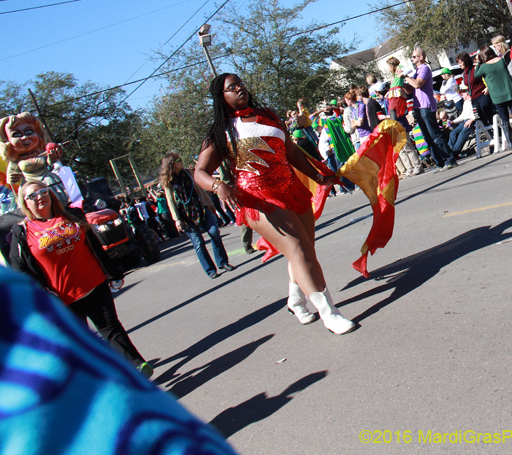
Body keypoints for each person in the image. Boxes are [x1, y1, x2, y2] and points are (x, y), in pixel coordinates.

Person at [193, 74, 357, 334]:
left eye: (241, 84)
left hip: (291, 189)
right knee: (299, 250)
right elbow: (199, 172)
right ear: (221, 97)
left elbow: (291, 152)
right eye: (231, 88)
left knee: (305, 250)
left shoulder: (267, 115)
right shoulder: (221, 132)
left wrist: (319, 177)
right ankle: (330, 314)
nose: (239, 89)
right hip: (257, 198)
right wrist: (218, 186)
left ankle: (295, 301)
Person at [8, 180, 153, 378]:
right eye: (32, 195)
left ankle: (137, 366)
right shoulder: (22, 232)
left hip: (93, 283)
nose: (39, 197)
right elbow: (19, 269)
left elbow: (94, 246)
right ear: (25, 203)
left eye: (42, 191)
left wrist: (112, 273)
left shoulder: (71, 215)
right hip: (62, 298)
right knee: (81, 341)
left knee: (111, 328)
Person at [158, 152, 234, 279]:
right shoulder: (168, 181)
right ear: (171, 164)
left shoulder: (188, 173)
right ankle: (210, 270)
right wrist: (176, 219)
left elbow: (199, 189)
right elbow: (170, 202)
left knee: (215, 232)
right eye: (177, 159)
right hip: (185, 216)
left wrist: (210, 204)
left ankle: (223, 263)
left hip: (200, 209)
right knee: (198, 243)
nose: (180, 160)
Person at [406, 49, 454, 171]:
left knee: (435, 135)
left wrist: (405, 77)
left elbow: (417, 84)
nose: (412, 59)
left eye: (414, 57)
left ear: (421, 57)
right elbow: (410, 90)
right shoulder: (416, 71)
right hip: (417, 106)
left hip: (426, 105)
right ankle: (439, 163)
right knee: (427, 137)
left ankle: (450, 159)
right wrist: (401, 82)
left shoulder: (424, 68)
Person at [475, 45, 512, 150]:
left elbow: (476, 75)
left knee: (504, 119)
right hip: (510, 92)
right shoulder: (502, 60)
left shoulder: (484, 66)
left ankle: (510, 143)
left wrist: (479, 62)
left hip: (497, 96)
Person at [446, 86, 479, 164]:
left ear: (467, 93)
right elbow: (463, 116)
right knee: (453, 133)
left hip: (472, 120)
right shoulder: (465, 102)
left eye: (462, 94)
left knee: (462, 135)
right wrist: (453, 122)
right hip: (465, 120)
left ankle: (454, 154)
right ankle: (448, 153)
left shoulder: (473, 101)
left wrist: (471, 120)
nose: (461, 95)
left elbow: (477, 112)